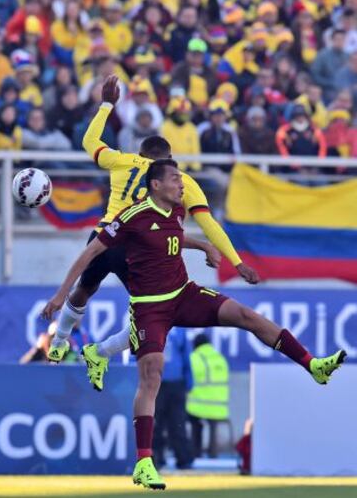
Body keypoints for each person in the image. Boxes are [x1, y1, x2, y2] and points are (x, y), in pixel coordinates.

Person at [42, 158, 346, 490]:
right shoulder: (131, 217)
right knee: (152, 372)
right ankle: (144, 462)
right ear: (156, 185)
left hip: (184, 294)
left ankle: (313, 364)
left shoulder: (176, 210)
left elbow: (172, 237)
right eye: (175, 179)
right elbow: (90, 253)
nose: (182, 183)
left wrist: (203, 245)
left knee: (247, 316)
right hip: (149, 307)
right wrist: (60, 295)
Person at [46, 75, 258, 366]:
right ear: (169, 160)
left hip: (104, 234)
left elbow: (89, 141)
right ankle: (102, 352)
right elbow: (209, 225)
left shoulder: (122, 161)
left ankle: (59, 341)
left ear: (141, 154)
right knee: (153, 311)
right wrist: (236, 261)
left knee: (84, 289)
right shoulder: (179, 180)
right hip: (137, 248)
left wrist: (107, 104)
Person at [153, 328, 194, 470]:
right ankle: (155, 458)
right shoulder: (149, 323)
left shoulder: (180, 330)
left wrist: (188, 380)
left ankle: (183, 459)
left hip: (175, 383)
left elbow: (186, 355)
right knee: (155, 423)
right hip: (154, 382)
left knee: (178, 422)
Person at [186, 333, 230, 459]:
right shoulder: (220, 358)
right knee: (212, 423)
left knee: (192, 420)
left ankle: (196, 453)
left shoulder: (195, 357)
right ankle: (213, 453)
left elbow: (188, 379)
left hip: (199, 406)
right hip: (220, 407)